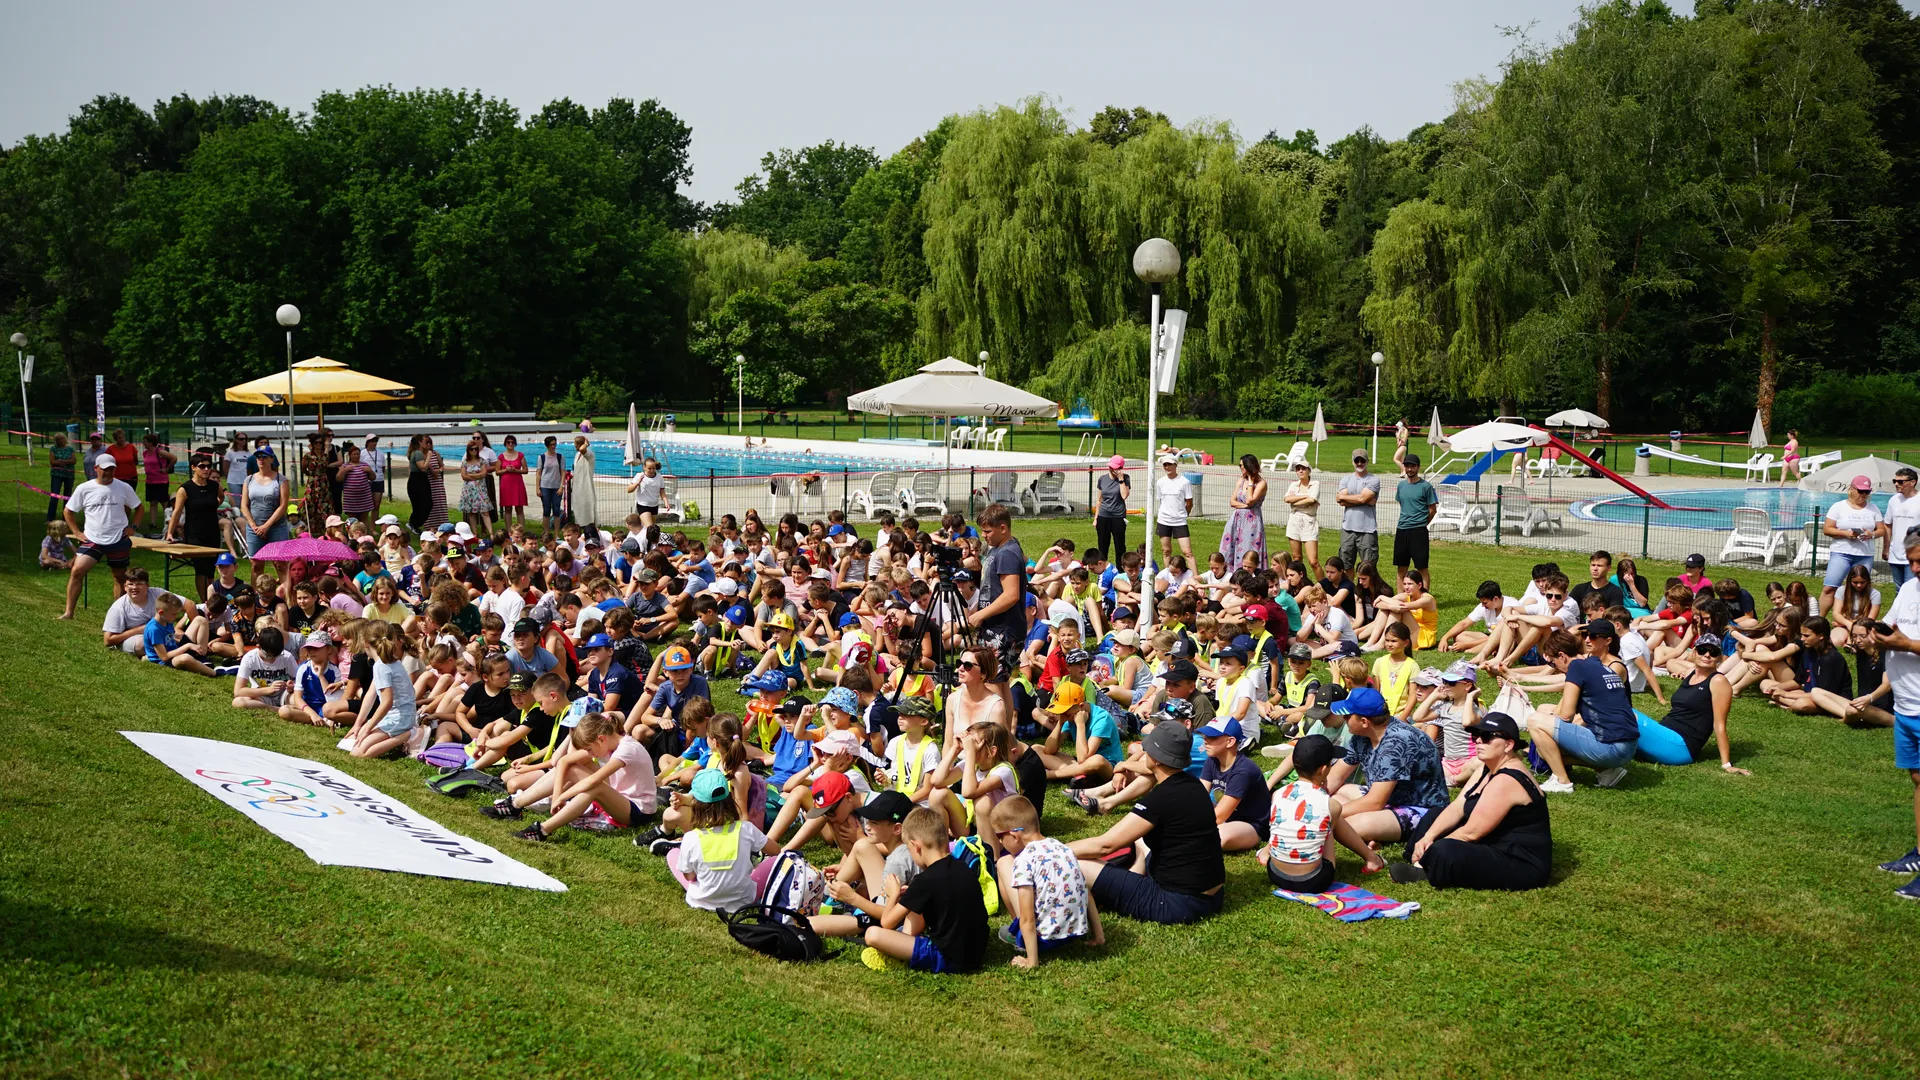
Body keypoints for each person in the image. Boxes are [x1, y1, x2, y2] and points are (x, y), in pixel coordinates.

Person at [1068, 722, 1226, 925]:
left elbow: (1105, 845)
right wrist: (1125, 766)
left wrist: (1051, 850)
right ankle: (1134, 874)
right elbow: (1148, 770)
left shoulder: (1161, 798)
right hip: (1212, 895)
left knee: (1075, 862)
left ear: (1157, 759)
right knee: (1141, 838)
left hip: (1175, 903)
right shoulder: (1193, 784)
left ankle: (1127, 885)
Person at [1392, 713, 1552, 891]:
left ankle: (1425, 866)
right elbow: (1458, 806)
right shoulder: (1488, 767)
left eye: (1487, 737)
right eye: (1476, 736)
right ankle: (1418, 857)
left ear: (1508, 745)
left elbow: (1472, 833)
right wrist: (1428, 837)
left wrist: (1433, 847)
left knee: (1445, 848)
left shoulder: (1508, 779)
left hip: (1519, 861)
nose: (1478, 741)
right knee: (1435, 814)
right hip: (1495, 840)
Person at [859, 807, 987, 973]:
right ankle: (903, 944)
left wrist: (893, 895)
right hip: (976, 953)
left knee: (872, 934)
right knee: (916, 907)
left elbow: (887, 922)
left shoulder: (925, 880)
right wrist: (911, 895)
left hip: (948, 958)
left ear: (916, 846)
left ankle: (900, 954)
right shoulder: (963, 867)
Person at [1321, 686, 1450, 849]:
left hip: (1421, 807)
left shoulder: (1395, 744)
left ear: (1364, 721)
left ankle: (1380, 832)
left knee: (1351, 824)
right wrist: (1311, 803)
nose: (1344, 719)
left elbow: (1375, 802)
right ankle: (1379, 832)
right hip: (1390, 798)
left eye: (1347, 715)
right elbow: (1336, 777)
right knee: (1337, 794)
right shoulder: (1362, 736)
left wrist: (1323, 815)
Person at [1259, 734, 1386, 891]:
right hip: (1313, 880)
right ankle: (1372, 859)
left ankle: (1267, 852)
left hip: (1276, 874)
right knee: (1329, 817)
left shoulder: (1278, 794)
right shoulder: (1330, 804)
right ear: (1324, 769)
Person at [989, 795, 1103, 968]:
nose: (999, 841)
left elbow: (1027, 918)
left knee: (1003, 863)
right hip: (1076, 931)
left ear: (1014, 836)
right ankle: (1096, 935)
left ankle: (1020, 939)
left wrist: (1031, 961)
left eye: (999, 836)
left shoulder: (1024, 860)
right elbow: (1086, 892)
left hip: (1045, 939)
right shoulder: (1063, 848)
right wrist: (1099, 936)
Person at [1527, 626, 1639, 792]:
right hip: (1629, 745)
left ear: (1562, 656)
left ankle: (1561, 781)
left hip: (1612, 747)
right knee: (1545, 726)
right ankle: (1607, 770)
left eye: (1552, 663)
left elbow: (1566, 716)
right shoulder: (1597, 664)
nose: (1555, 668)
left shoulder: (1576, 668)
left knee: (1535, 722)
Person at [1871, 533, 1920, 900]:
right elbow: (1893, 626)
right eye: (1911, 560)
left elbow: (1906, 640)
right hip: (1905, 704)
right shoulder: (1909, 588)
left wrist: (1904, 644)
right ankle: (1919, 853)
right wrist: (1874, 636)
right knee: (1918, 780)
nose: (1914, 568)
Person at [59, 454, 142, 620]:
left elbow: (139, 508)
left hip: (118, 538)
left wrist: (133, 527)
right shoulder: (84, 488)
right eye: (105, 469)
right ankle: (68, 612)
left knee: (119, 577)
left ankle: (118, 615)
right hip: (92, 539)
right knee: (76, 570)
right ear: (96, 469)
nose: (108, 472)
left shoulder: (124, 487)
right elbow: (68, 511)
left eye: (111, 469)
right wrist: (76, 532)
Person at [1197, 717, 1270, 852]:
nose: (1205, 740)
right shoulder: (1212, 760)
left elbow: (1219, 816)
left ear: (1230, 741)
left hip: (1252, 825)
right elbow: (1198, 796)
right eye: (1205, 736)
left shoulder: (1243, 770)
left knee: (1219, 836)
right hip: (1228, 818)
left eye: (1212, 737)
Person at [164, 453, 227, 602]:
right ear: (193, 468)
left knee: (211, 570)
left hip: (212, 532)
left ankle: (212, 601)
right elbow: (177, 512)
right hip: (194, 534)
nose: (206, 469)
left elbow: (221, 497)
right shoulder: (185, 488)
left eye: (208, 466)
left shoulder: (215, 486)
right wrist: (170, 533)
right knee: (201, 570)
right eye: (202, 466)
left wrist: (212, 507)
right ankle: (204, 601)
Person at [1821, 475, 1887, 618]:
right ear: (1851, 489)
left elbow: (1882, 530)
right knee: (1830, 587)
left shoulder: (1873, 508)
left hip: (1864, 555)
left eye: (1867, 492)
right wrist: (1845, 533)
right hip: (1841, 552)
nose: (1863, 495)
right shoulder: (1838, 507)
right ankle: (1820, 620)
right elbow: (1827, 529)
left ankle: (1858, 621)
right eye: (1860, 491)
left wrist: (1872, 534)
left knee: (1861, 589)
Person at [1388, 447, 1437, 591]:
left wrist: (1421, 523)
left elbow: (1432, 510)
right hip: (1402, 530)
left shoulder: (1426, 487)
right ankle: (1400, 596)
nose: (1409, 469)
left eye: (1412, 466)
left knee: (1422, 567)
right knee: (1401, 567)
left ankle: (1425, 597)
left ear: (1418, 467)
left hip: (1419, 532)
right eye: (1407, 466)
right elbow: (1402, 504)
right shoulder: (1401, 485)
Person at [239, 451, 291, 563]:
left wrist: (266, 526)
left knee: (280, 563)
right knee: (256, 564)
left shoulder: (281, 480)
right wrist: (254, 526)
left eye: (264, 457)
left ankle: (282, 581)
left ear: (272, 459)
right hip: (254, 528)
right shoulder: (249, 479)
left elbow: (283, 506)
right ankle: (257, 582)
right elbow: (243, 505)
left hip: (276, 527)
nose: (261, 459)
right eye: (258, 457)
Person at [1334, 449, 1381, 572]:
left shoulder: (1373, 480)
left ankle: (1366, 591)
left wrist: (1346, 498)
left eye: (1362, 460)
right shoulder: (1346, 479)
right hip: (1347, 529)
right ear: (1353, 462)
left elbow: (1361, 498)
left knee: (1368, 567)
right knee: (1345, 565)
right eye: (1357, 460)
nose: (1359, 463)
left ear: (1367, 461)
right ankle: (1349, 590)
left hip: (1367, 530)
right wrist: (1363, 500)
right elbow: (1341, 501)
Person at [1220, 453, 1268, 571]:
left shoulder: (1261, 483)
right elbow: (1232, 501)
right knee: (1231, 546)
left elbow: (1250, 499)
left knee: (1249, 546)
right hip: (1237, 519)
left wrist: (1251, 482)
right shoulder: (1241, 481)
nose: (1240, 468)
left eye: (1242, 465)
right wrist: (1245, 506)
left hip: (1252, 521)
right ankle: (1231, 572)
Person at [1153, 453, 1195, 572]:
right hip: (1164, 520)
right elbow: (1161, 500)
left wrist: (1184, 513)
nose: (1167, 467)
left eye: (1170, 464)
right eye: (1165, 465)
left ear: (1175, 465)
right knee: (1166, 551)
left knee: (1187, 552)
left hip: (1179, 521)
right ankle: (1168, 577)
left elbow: (1189, 502)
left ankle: (1196, 578)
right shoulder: (1160, 482)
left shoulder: (1184, 482)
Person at [1282, 460, 1321, 580]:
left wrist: (1296, 501)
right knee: (1296, 558)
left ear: (1309, 470)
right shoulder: (1293, 485)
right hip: (1294, 520)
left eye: (1303, 468)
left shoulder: (1315, 484)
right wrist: (1305, 496)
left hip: (1308, 521)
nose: (1300, 471)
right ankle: (1299, 583)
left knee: (1313, 561)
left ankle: (1324, 587)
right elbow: (1287, 499)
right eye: (1298, 469)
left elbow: (1312, 500)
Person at [1887, 467, 1920, 591]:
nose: (1896, 484)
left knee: (1911, 590)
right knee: (1898, 589)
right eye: (1894, 481)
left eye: (1900, 482)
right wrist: (1886, 548)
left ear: (1912, 482)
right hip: (1895, 554)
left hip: (1914, 554)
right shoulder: (1894, 500)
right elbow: (1888, 524)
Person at [1094, 454, 1131, 561]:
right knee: (1102, 545)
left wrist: (1121, 480)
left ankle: (1121, 570)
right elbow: (1099, 500)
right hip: (1103, 516)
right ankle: (1103, 570)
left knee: (1120, 546)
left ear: (1120, 468)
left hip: (1118, 516)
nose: (1111, 469)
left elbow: (1124, 495)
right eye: (1111, 466)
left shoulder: (1125, 478)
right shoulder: (1102, 479)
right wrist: (1096, 518)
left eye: (1115, 467)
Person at [335, 444, 376, 525]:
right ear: (350, 455)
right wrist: (345, 470)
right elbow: (338, 479)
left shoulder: (364, 465)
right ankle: (351, 535)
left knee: (364, 518)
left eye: (358, 454)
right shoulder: (345, 466)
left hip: (364, 498)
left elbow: (373, 478)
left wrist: (370, 470)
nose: (356, 456)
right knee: (352, 519)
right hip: (350, 499)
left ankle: (364, 535)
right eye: (354, 454)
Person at [458, 441, 492, 536]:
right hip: (469, 490)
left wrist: (471, 475)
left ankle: (491, 533)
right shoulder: (465, 462)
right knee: (471, 512)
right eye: (471, 449)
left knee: (485, 511)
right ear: (468, 450)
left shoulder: (482, 461)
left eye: (476, 449)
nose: (474, 451)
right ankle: (475, 533)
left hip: (481, 489)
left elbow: (484, 473)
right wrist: (477, 475)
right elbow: (464, 476)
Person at [494, 434, 528, 529]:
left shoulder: (520, 455)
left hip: (517, 483)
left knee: (519, 508)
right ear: (505, 444)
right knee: (507, 508)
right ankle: (509, 531)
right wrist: (506, 470)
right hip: (506, 485)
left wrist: (516, 470)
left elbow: (525, 470)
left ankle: (521, 530)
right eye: (508, 442)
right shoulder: (501, 457)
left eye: (512, 442)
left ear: (515, 444)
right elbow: (497, 472)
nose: (510, 444)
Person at [536, 435, 565, 535]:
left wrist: (562, 486)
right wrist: (538, 488)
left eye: (555, 444)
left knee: (556, 510)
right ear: (547, 445)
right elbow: (539, 473)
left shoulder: (560, 457)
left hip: (556, 486)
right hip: (545, 486)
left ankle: (556, 534)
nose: (553, 446)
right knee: (546, 510)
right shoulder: (542, 457)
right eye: (551, 444)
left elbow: (563, 472)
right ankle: (546, 533)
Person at [627, 456, 666, 529]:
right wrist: (637, 483)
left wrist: (666, 502)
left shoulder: (659, 477)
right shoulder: (639, 476)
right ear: (644, 467)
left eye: (653, 468)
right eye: (649, 468)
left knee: (649, 529)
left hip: (654, 506)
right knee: (650, 528)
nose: (651, 470)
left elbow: (662, 491)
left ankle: (642, 538)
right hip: (643, 505)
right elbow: (629, 490)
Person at [568, 434, 597, 532]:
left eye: (576, 444)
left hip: (586, 485)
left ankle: (589, 526)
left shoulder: (589, 454)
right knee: (578, 506)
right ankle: (579, 526)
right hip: (577, 485)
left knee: (587, 506)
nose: (574, 446)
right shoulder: (577, 455)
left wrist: (586, 444)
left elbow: (582, 450)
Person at [46, 431, 76, 521]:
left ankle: (66, 517)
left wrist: (60, 461)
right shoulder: (53, 449)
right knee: (54, 496)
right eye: (58, 439)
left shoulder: (70, 449)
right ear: (56, 441)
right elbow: (52, 462)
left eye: (62, 438)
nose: (61, 440)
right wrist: (66, 461)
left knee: (67, 496)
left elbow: (73, 461)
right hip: (56, 475)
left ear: (65, 439)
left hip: (69, 475)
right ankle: (50, 518)